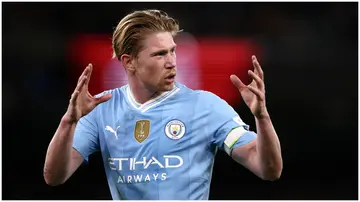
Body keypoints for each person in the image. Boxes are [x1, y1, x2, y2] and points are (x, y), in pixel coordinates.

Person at [43, 9, 282, 200]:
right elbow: (54, 176)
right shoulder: (101, 107)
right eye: (159, 54)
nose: (171, 63)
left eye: (173, 52)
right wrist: (69, 122)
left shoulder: (207, 106)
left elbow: (268, 170)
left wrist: (262, 117)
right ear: (129, 62)